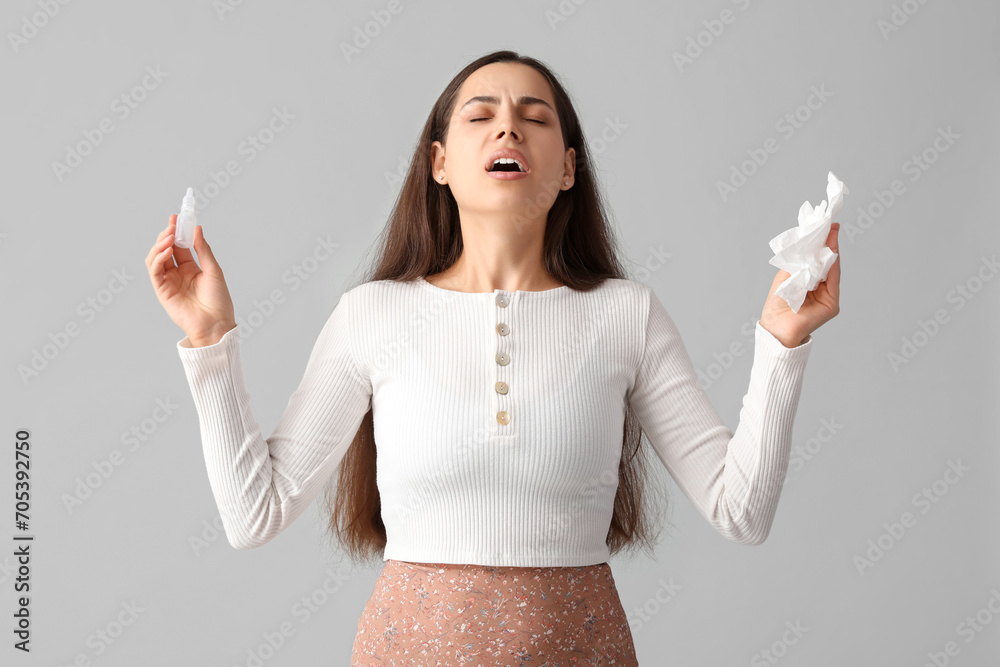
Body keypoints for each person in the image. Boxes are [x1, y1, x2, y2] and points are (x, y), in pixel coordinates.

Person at [145, 50, 840, 665]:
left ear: (568, 168)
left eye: (534, 117)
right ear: (440, 162)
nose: (508, 127)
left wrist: (783, 342)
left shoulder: (626, 314)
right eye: (481, 115)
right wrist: (210, 341)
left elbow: (741, 512)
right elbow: (253, 513)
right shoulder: (372, 314)